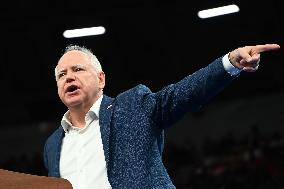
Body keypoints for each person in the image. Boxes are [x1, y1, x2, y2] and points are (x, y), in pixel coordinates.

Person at [43, 43, 280, 189]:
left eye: (78, 69)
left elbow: (182, 94)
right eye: (62, 74)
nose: (69, 77)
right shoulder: (53, 145)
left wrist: (229, 63)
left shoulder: (132, 105)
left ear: (101, 79)